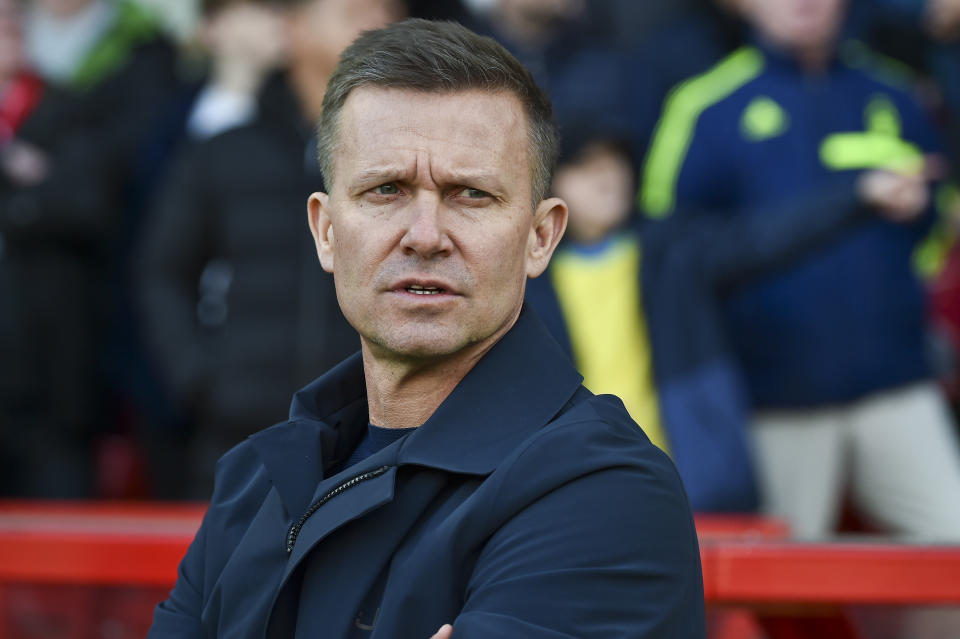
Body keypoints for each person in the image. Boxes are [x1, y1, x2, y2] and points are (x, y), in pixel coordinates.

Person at [148, 19, 704, 638]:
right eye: (386, 190)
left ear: (540, 237)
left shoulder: (606, 494)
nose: (425, 235)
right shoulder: (255, 478)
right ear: (326, 231)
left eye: (469, 194)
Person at [641, 0, 960, 538]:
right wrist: (851, 201)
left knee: (949, 561)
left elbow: (936, 229)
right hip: (775, 401)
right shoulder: (705, 107)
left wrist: (917, 210)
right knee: (776, 591)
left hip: (897, 385)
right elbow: (674, 258)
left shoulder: (895, 91)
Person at [137, 0, 401, 499]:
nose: (379, 23)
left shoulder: (405, 157)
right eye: (354, 11)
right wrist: (199, 380)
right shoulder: (225, 151)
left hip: (374, 438)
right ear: (295, 29)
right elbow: (161, 272)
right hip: (241, 436)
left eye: (389, 11)